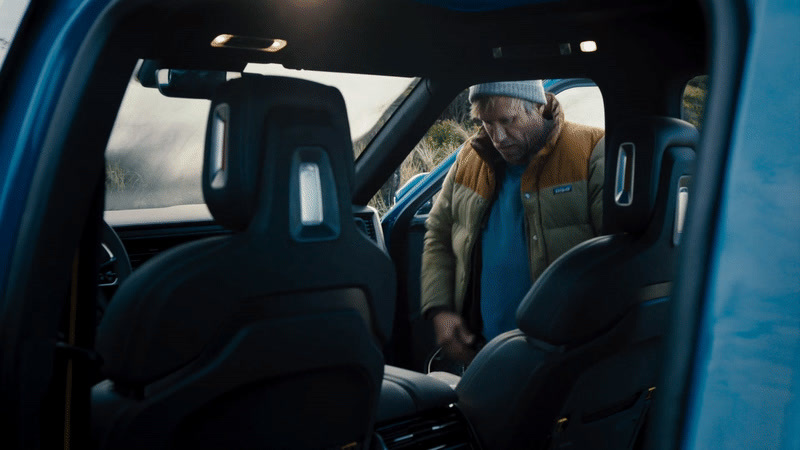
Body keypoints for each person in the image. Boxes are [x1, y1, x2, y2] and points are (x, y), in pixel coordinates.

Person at [420, 80, 605, 364]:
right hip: (483, 350)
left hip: (561, 353)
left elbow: (615, 253)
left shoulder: (591, 150)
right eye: (486, 123)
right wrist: (439, 309)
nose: (499, 136)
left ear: (538, 107)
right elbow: (438, 233)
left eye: (508, 120)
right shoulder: (468, 159)